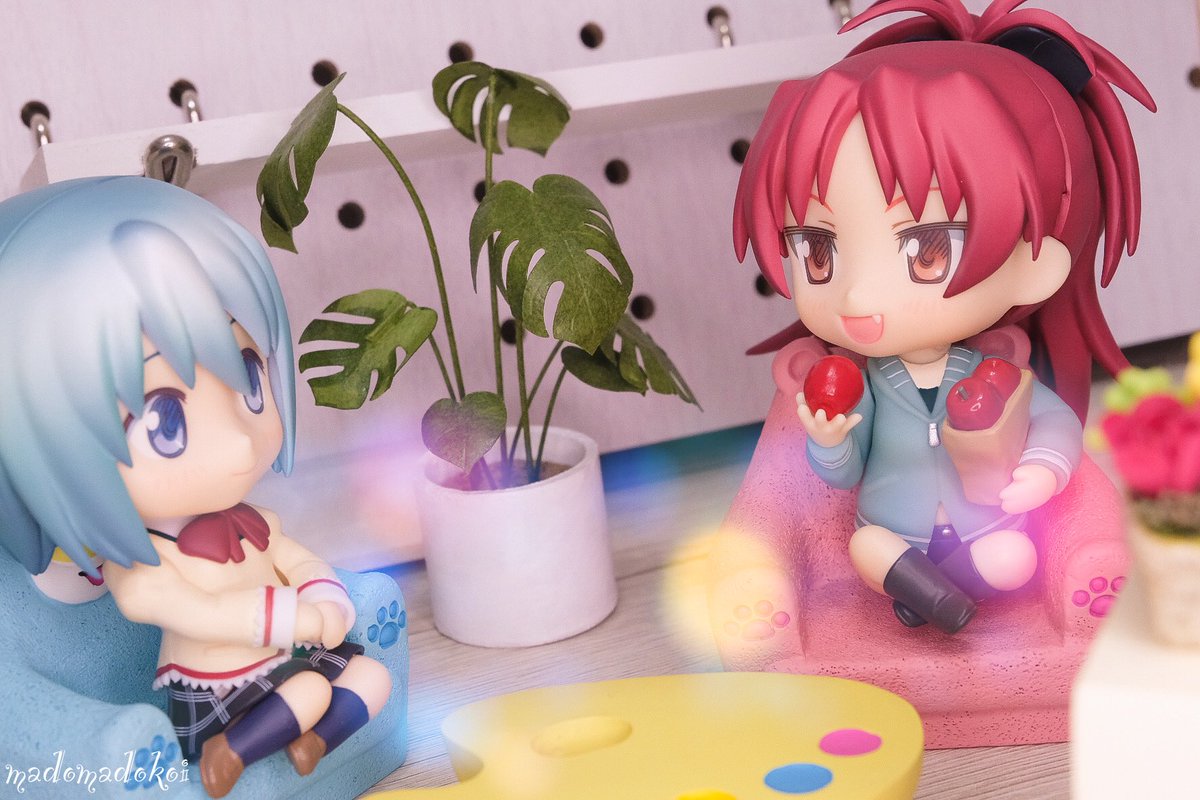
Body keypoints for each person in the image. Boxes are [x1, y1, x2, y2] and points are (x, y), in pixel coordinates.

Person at [732, 0, 1154, 632]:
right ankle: (938, 595)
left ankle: (934, 597)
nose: (858, 296)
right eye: (818, 251)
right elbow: (844, 473)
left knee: (1014, 558)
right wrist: (830, 440)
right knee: (865, 547)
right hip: (892, 531)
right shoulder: (869, 385)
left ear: (1037, 260)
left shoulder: (994, 373)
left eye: (925, 249)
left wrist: (1044, 468)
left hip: (987, 526)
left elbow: (1054, 422)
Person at [0, 176, 391, 797]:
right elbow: (183, 610)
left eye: (250, 378)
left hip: (278, 659)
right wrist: (286, 615)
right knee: (309, 689)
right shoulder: (142, 560)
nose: (238, 444)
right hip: (214, 688)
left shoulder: (253, 519)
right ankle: (227, 754)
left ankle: (309, 744)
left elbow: (294, 559)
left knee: (371, 680)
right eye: (166, 421)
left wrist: (328, 595)